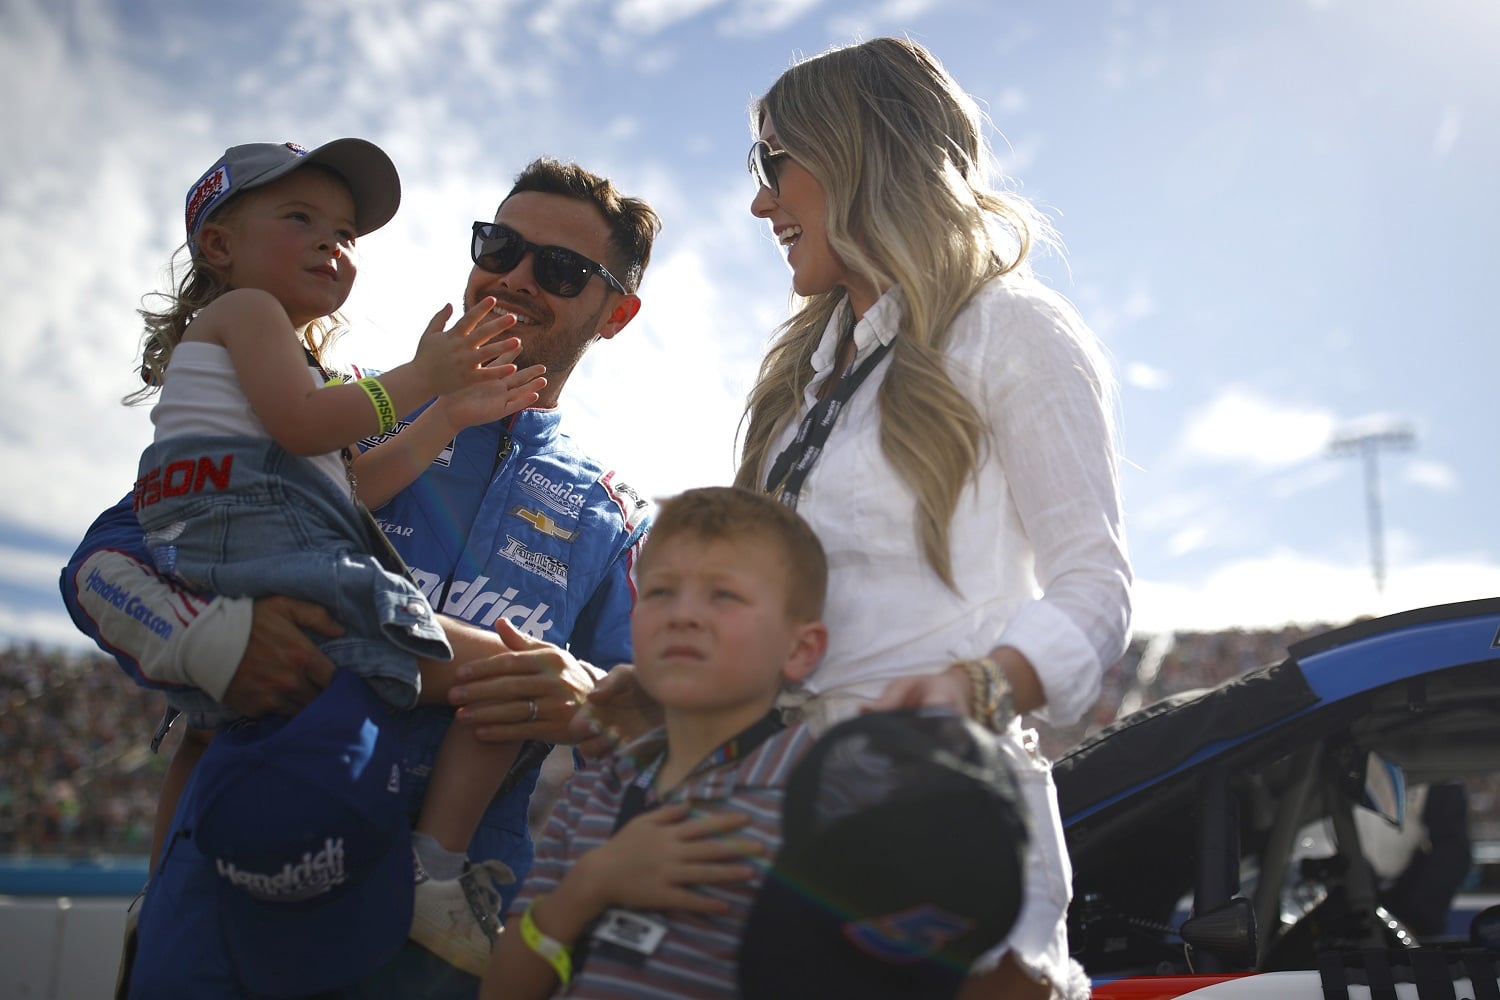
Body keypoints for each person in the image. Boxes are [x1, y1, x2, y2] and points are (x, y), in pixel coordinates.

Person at [60, 155, 662, 998]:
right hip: (221, 923)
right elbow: (103, 562)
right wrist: (207, 639)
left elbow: (666, 718)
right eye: (499, 246)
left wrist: (585, 696)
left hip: (435, 960)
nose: (517, 278)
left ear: (616, 314)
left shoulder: (617, 518)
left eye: (560, 269)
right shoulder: (328, 404)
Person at [732, 37, 1132, 999]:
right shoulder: (795, 379)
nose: (759, 202)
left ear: (861, 151)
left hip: (949, 825)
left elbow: (1095, 591)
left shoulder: (1011, 327)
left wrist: (976, 690)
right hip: (784, 829)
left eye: (773, 162)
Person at [126, 137, 548, 978]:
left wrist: (442, 418)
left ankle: (154, 893)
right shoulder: (249, 315)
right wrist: (420, 377)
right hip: (262, 560)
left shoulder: (264, 351)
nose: (333, 244)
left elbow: (344, 487)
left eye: (347, 233)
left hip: (235, 567)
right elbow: (306, 428)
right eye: (300, 219)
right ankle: (434, 873)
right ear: (219, 246)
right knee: (513, 676)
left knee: (210, 733)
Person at [480, 485, 829, 999]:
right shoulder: (596, 788)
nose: (681, 614)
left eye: (724, 594)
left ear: (801, 650)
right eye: (661, 591)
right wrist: (588, 886)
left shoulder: (818, 812)